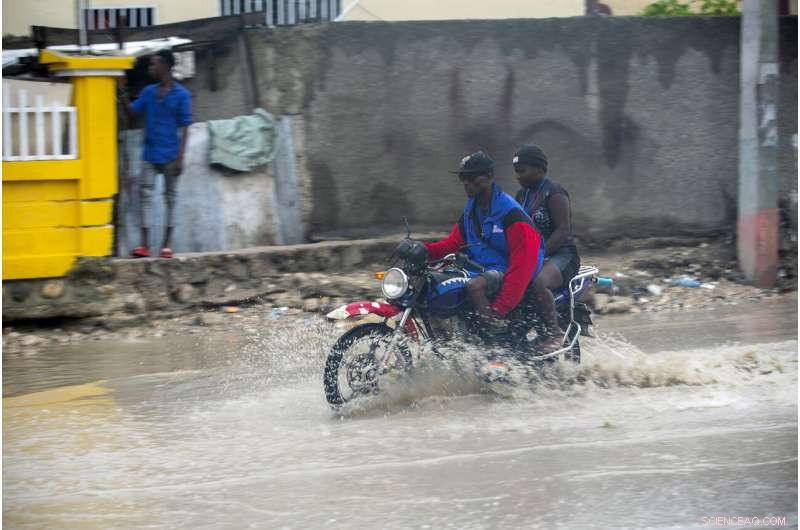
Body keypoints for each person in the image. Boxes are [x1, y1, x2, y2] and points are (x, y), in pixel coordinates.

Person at [423, 150, 563, 353]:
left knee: (475, 286)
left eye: (472, 178)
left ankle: (492, 330)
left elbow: (522, 266)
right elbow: (453, 243)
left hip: (506, 270)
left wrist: (500, 308)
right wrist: (423, 250)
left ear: (489, 176)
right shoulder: (472, 210)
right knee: (439, 285)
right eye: (463, 178)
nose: (467, 184)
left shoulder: (510, 213)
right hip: (480, 267)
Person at [119, 49, 192, 259]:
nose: (151, 68)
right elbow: (133, 111)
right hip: (150, 153)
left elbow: (186, 126)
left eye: (154, 64)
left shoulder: (182, 95)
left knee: (170, 199)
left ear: (166, 67)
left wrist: (180, 157)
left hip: (170, 153)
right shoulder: (149, 92)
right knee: (146, 197)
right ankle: (144, 246)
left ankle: (166, 246)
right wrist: (123, 93)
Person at [513, 144, 581, 346]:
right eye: (516, 172)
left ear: (540, 170)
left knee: (539, 282)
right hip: (534, 256)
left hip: (562, 255)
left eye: (522, 171)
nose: (518, 176)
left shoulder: (555, 193)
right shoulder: (520, 196)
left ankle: (555, 333)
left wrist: (538, 254)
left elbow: (562, 231)